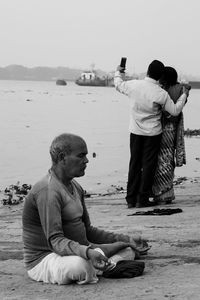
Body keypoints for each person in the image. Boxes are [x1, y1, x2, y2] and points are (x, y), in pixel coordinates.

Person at [22, 133, 148, 285]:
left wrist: (125, 239)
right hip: (46, 258)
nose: (86, 160)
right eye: (81, 156)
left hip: (79, 250)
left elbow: (88, 231)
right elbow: (55, 241)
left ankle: (103, 263)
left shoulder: (75, 186)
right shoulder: (48, 191)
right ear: (63, 158)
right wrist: (88, 252)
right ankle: (105, 264)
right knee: (79, 266)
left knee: (128, 249)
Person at [114, 60, 189, 208]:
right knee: (149, 166)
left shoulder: (134, 85)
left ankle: (130, 199)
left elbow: (117, 83)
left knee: (134, 164)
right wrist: (183, 96)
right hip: (153, 133)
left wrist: (119, 71)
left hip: (135, 131)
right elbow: (174, 111)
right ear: (160, 76)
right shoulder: (160, 93)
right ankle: (142, 199)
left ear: (147, 71)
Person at [152, 66, 190, 204]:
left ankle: (159, 193)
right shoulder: (182, 89)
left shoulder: (160, 89)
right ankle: (167, 193)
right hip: (173, 129)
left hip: (159, 128)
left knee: (158, 160)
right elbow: (183, 101)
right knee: (168, 159)